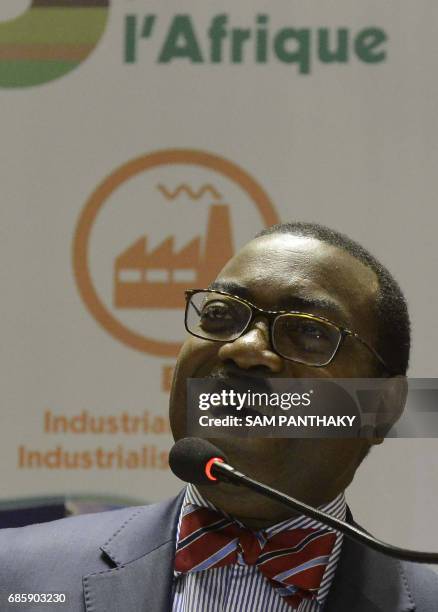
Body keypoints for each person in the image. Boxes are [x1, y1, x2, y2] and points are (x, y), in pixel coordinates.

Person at [0, 222, 437, 611]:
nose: (243, 349)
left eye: (307, 330)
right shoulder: (18, 576)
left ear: (381, 408)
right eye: (220, 315)